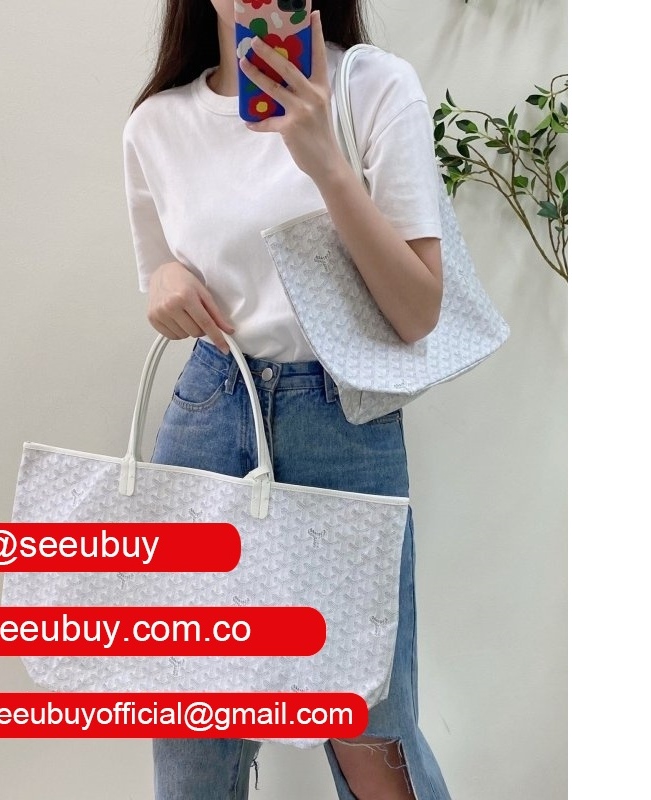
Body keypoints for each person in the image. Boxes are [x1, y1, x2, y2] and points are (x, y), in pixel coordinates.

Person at [123, 0, 452, 797]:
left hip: (339, 418)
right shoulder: (156, 125)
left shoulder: (372, 87)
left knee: (370, 727)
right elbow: (163, 271)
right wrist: (162, 279)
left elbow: (418, 311)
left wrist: (323, 161)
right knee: (191, 730)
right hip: (210, 405)